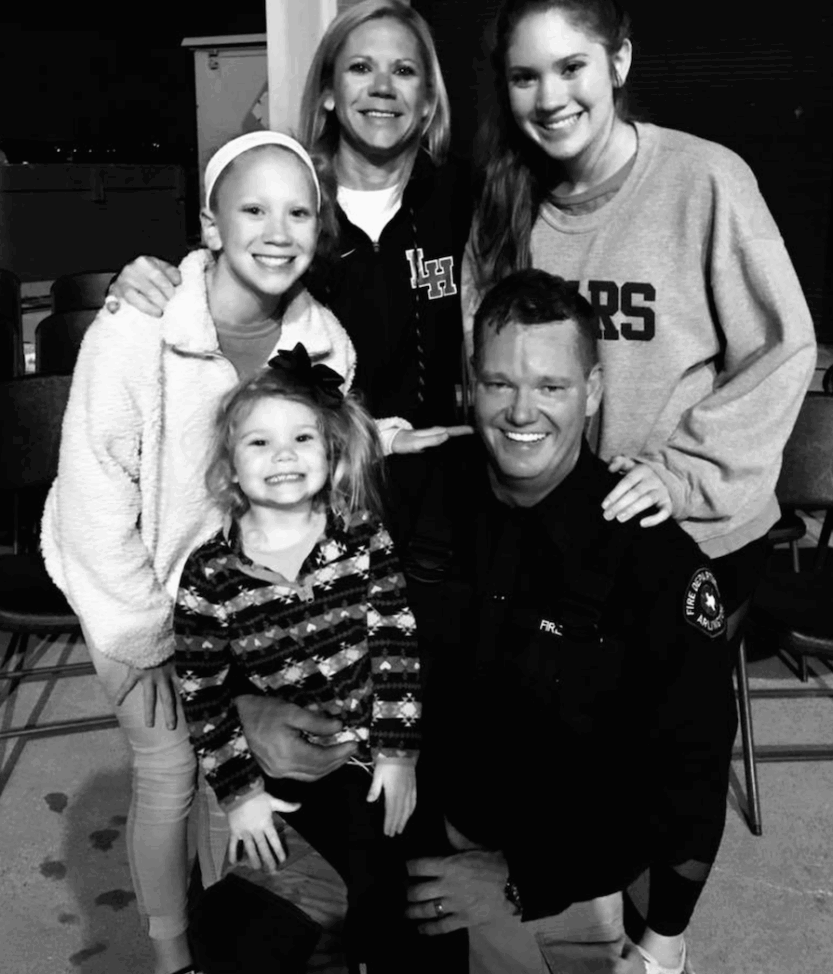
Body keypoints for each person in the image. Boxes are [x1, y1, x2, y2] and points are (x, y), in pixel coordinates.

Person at [40, 130, 359, 974]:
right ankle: (172, 955)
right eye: (253, 208)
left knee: (243, 781)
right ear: (212, 226)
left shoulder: (326, 349)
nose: (277, 229)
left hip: (240, 607)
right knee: (171, 770)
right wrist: (146, 637)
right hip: (134, 595)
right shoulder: (138, 328)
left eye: (298, 211)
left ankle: (232, 931)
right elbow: (94, 490)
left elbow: (318, 493)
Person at [403, 269, 739, 974]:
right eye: (500, 384)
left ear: (591, 390)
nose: (522, 412)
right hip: (419, 840)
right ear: (472, 384)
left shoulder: (651, 561)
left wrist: (520, 879)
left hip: (562, 880)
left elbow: (686, 784)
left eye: (550, 387)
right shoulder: (421, 489)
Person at [462, 0, 816, 620]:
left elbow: (781, 349)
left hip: (687, 529)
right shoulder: (502, 207)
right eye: (525, 77)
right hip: (555, 533)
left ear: (618, 61)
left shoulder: (703, 178)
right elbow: (484, 369)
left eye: (571, 67)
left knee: (649, 715)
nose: (549, 97)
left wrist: (681, 473)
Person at [107, 0, 473, 562]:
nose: (381, 86)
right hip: (304, 502)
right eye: (359, 67)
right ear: (327, 91)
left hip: (434, 493)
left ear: (427, 102)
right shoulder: (292, 201)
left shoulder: (462, 199)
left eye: (403, 70)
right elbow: (220, 267)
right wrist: (144, 278)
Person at [174, 344, 422, 972]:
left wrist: (398, 751)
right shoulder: (208, 574)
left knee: (392, 887)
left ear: (331, 455)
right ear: (229, 469)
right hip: (298, 769)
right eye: (258, 443)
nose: (283, 455)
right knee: (258, 914)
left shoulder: (364, 536)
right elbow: (202, 695)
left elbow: (396, 648)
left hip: (379, 748)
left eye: (302, 437)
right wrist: (240, 795)